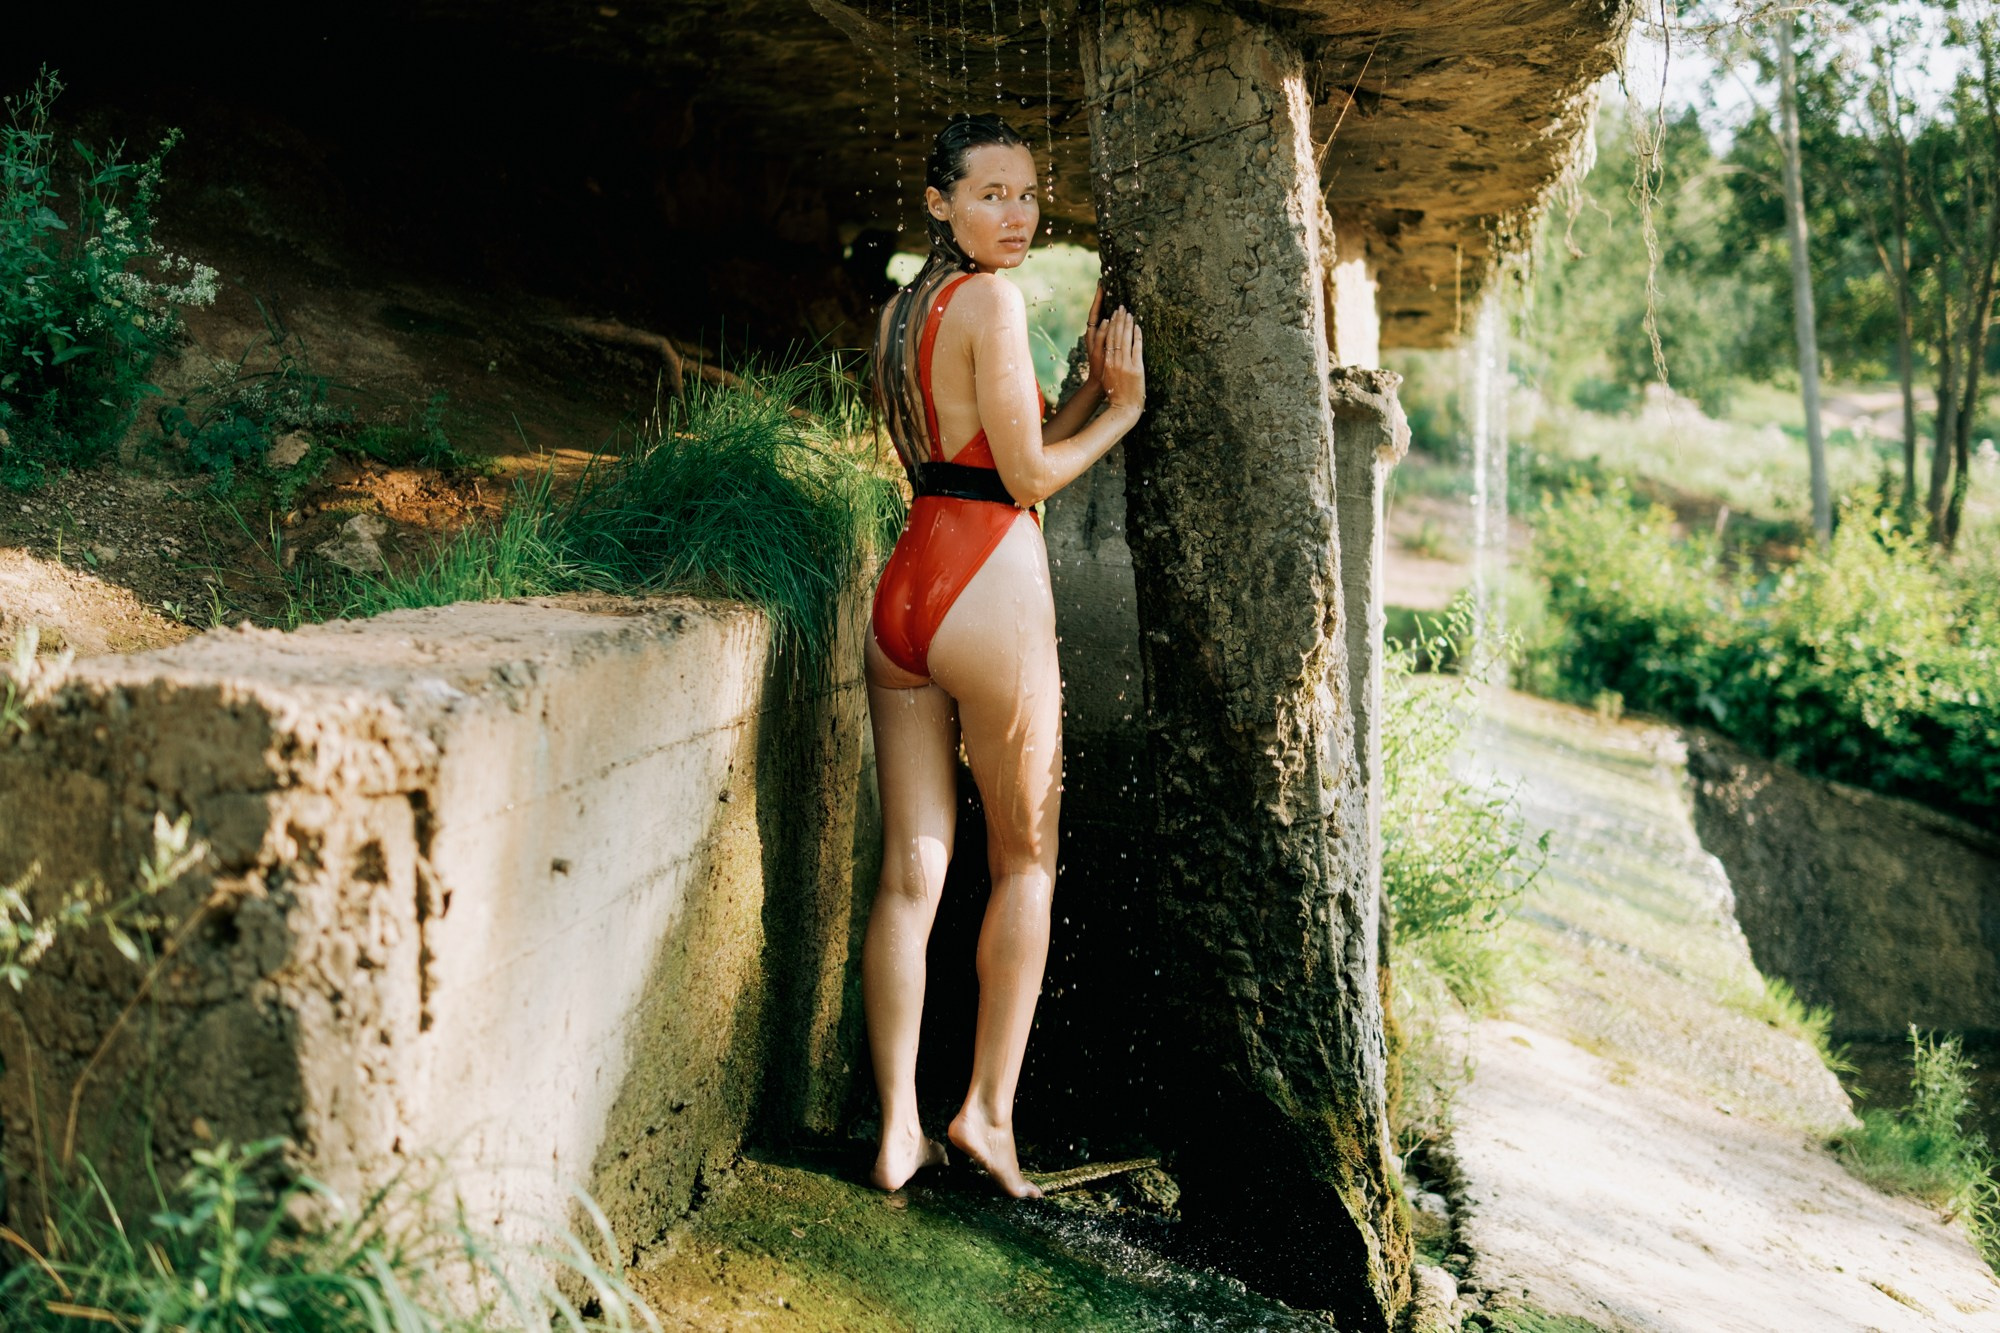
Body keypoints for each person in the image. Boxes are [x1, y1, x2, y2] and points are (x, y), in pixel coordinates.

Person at [862, 112, 1146, 1198]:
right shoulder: (992, 297)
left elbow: (969, 445)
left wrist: (1072, 385)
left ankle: (896, 1130)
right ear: (940, 203)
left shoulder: (900, 309)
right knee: (1023, 860)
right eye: (989, 194)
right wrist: (1116, 412)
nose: (1015, 215)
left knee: (909, 871)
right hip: (988, 583)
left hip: (907, 588)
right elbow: (1023, 479)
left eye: (1026, 195)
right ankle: (984, 1113)